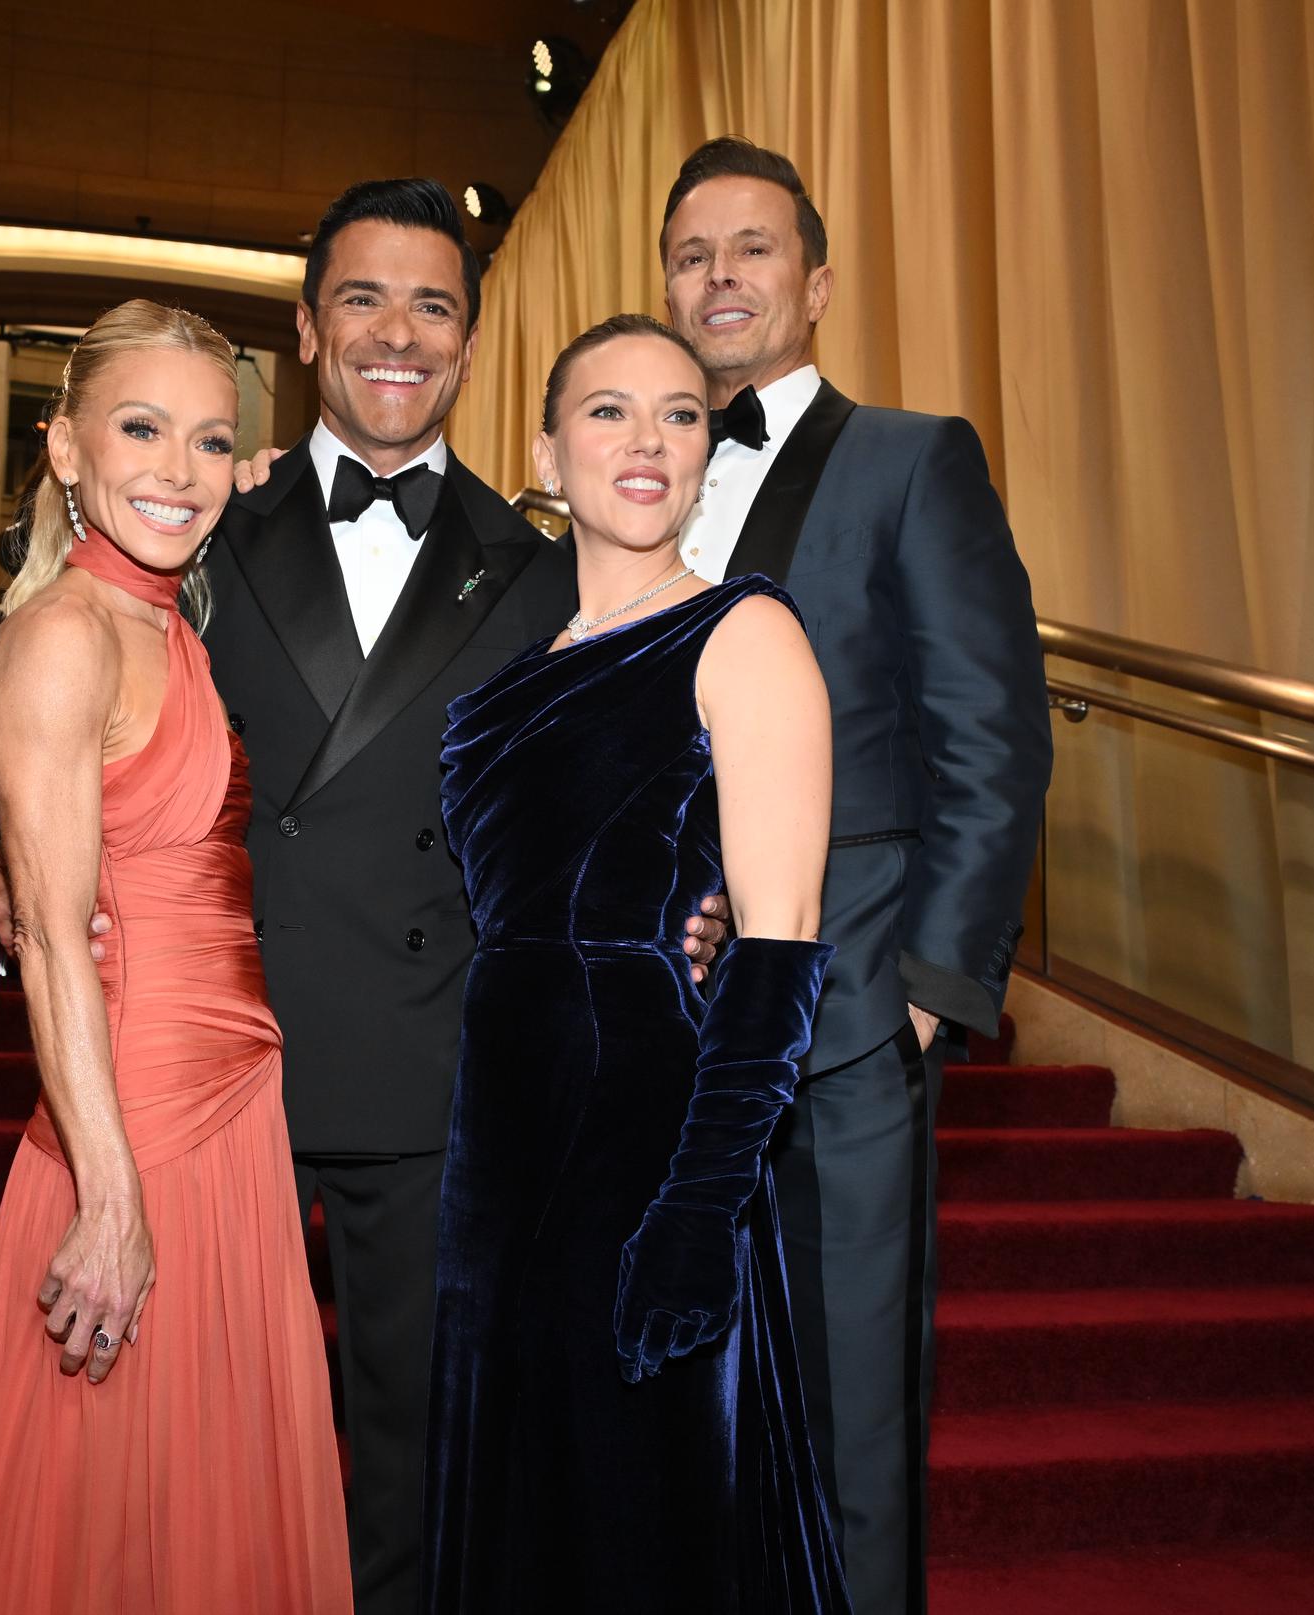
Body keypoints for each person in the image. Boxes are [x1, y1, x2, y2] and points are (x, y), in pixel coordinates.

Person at [200, 178, 724, 1615]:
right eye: (363, 297)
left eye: (435, 304)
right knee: (197, 1431)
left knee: (417, 1454)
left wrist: (698, 894)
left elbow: (625, 768)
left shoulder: (541, 568)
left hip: (439, 1066)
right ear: (308, 329)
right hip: (215, 1047)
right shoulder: (203, 522)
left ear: (473, 348)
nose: (397, 332)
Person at [0, 300, 351, 1614]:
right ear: (62, 449)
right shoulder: (60, 635)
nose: (179, 468)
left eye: (212, 440)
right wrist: (107, 1194)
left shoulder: (170, 622)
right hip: (138, 1125)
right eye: (142, 429)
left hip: (230, 1106)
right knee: (98, 1521)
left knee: (190, 1515)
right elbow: (51, 933)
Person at [660, 137, 1053, 1614]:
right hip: (646, 1012)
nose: (722, 276)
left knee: (849, 1386)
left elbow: (989, 732)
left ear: (815, 282)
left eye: (753, 249)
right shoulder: (623, 466)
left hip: (848, 1007)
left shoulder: (910, 457)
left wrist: (931, 993)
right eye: (693, 253)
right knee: (668, 1377)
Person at [425, 314, 847, 1613]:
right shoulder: (499, 677)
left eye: (679, 412)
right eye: (608, 410)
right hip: (498, 1136)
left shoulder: (745, 634)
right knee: (520, 1507)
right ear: (545, 452)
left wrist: (697, 1210)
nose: (649, 438)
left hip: (643, 1137)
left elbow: (778, 954)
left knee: (639, 1517)